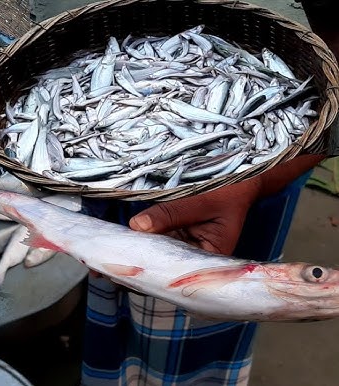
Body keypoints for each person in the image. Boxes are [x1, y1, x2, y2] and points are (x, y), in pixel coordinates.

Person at [79, 1, 337, 385]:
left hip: (253, 184)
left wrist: (255, 181)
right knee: (114, 275)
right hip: (116, 180)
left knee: (205, 314)